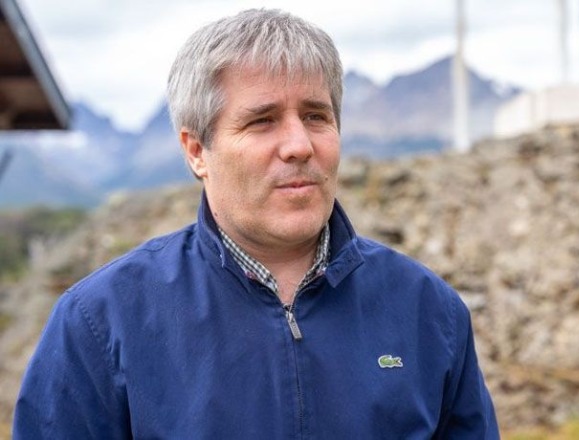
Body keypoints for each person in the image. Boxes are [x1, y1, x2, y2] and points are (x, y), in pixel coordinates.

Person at [13, 8, 499, 439]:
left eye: (316, 116)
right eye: (262, 121)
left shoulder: (429, 310)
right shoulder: (100, 322)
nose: (299, 145)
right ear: (197, 151)